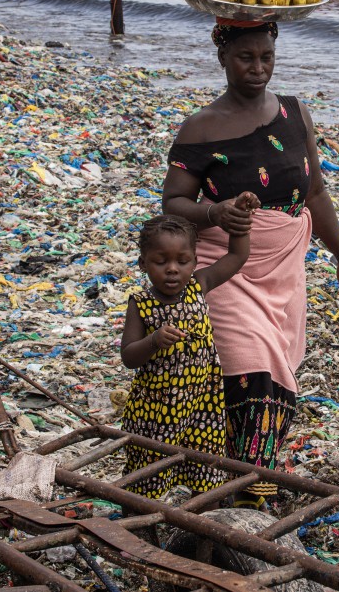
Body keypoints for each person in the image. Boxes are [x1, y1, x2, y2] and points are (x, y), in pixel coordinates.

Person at [162, 19, 339, 508]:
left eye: (266, 57)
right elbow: (173, 203)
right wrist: (216, 212)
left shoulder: (295, 114)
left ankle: (243, 489)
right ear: (223, 58)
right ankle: (250, 499)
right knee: (255, 377)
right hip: (226, 265)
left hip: (283, 271)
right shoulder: (201, 127)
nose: (258, 68)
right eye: (246, 58)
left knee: (276, 387)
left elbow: (314, 192)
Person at [120, 198, 258, 499]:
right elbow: (129, 356)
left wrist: (241, 217)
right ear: (143, 263)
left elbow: (237, 255)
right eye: (161, 261)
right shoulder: (141, 304)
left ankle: (200, 533)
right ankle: (137, 535)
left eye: (182, 261)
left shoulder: (199, 285)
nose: (172, 270)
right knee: (149, 475)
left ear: (195, 261)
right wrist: (153, 341)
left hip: (203, 405)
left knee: (206, 472)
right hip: (157, 410)